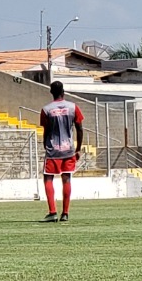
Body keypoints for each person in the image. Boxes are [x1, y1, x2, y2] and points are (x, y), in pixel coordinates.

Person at [40, 81, 84, 222]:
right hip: (68, 150)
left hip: (53, 150)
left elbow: (46, 130)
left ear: (51, 92)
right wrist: (77, 148)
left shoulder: (46, 109)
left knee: (48, 178)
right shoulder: (73, 107)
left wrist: (44, 144)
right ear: (63, 92)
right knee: (66, 179)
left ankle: (52, 212)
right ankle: (65, 213)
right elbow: (80, 128)